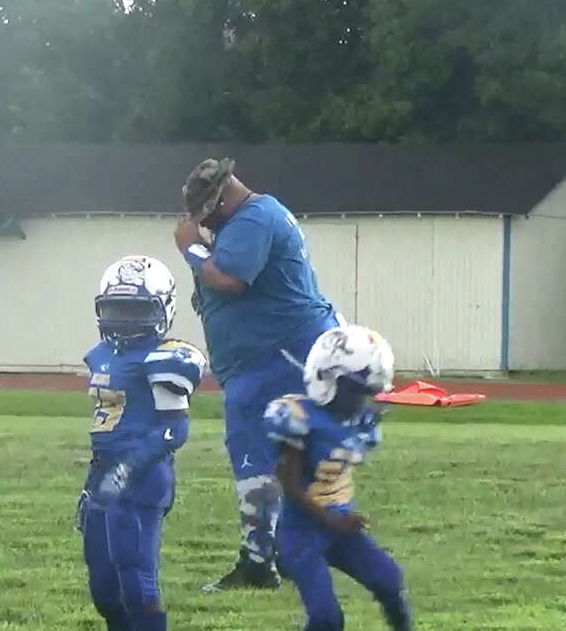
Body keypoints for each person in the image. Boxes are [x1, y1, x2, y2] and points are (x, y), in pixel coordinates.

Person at [174, 157, 343, 591]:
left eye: (207, 215)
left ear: (221, 200)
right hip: (277, 352)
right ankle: (292, 551)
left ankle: (258, 562)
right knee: (283, 455)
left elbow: (231, 280)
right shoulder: (258, 215)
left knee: (253, 451)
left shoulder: (253, 218)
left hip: (276, 355)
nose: (205, 224)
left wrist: (191, 248)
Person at [77, 255, 206, 630]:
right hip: (103, 472)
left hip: (144, 475)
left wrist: (130, 465)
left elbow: (175, 429)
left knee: (135, 581)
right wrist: (97, 479)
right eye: (117, 308)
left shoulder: (164, 357)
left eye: (135, 309)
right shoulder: (101, 355)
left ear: (162, 308)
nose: (124, 318)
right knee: (104, 588)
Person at [265, 325, 412, 631]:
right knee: (327, 618)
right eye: (357, 390)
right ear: (329, 378)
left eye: (368, 392)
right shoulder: (301, 418)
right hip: (301, 532)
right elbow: (290, 484)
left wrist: (339, 521)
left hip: (339, 525)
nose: (363, 400)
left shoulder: (358, 421)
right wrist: (331, 520)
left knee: (389, 581)